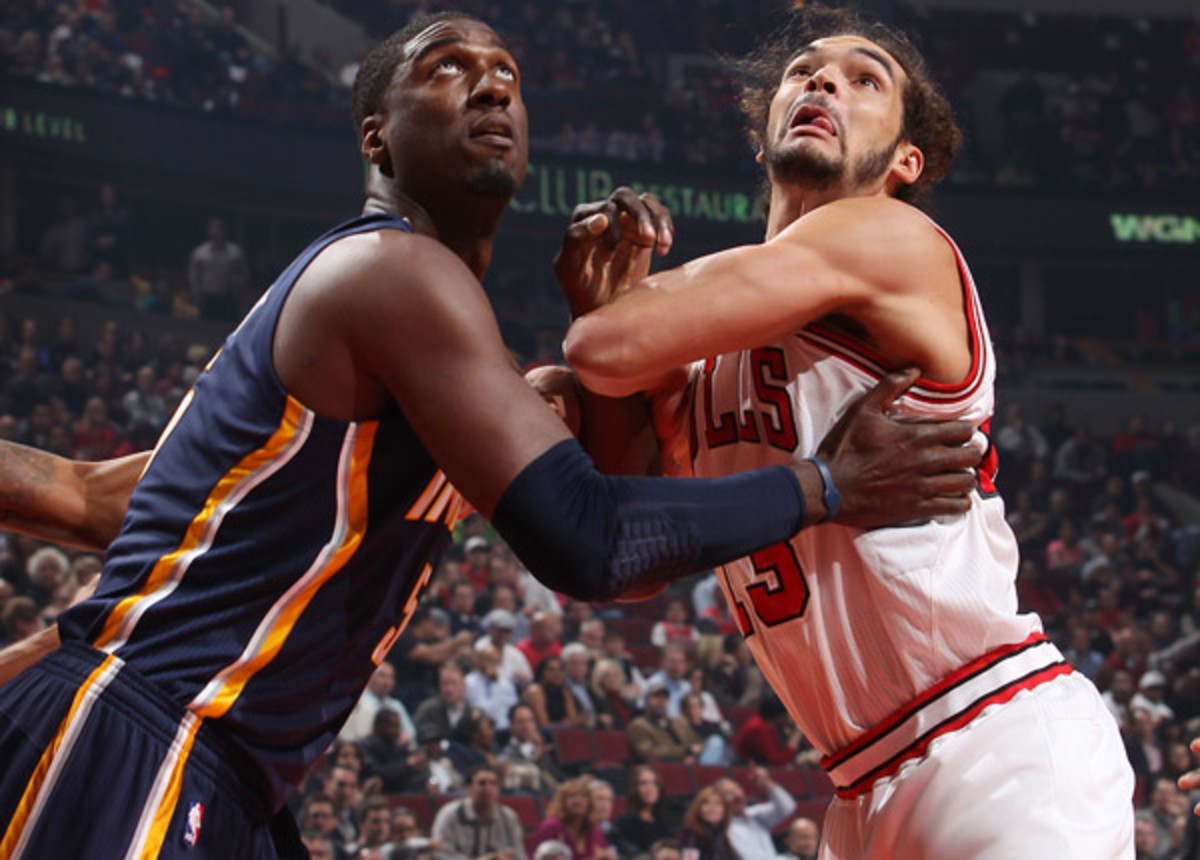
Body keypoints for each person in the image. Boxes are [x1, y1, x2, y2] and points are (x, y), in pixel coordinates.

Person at [0, 13, 978, 858]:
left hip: (213, 764)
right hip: (157, 736)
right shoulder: (396, 274)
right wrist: (822, 486)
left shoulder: (433, 349)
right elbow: (593, 539)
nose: (491, 85)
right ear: (377, 138)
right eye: (447, 68)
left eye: (506, 73)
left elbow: (106, 506)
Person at [557, 7, 1133, 857]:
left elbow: (601, 349)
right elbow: (638, 566)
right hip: (859, 784)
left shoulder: (892, 236)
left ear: (905, 162)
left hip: (993, 738)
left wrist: (604, 326)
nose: (824, 79)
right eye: (803, 72)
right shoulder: (710, 359)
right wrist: (605, 323)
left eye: (865, 80)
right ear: (761, 138)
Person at [430, 764, 526, 860]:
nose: (488, 789)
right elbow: (440, 854)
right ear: (469, 787)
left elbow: (519, 854)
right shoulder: (449, 814)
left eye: (493, 783)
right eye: (482, 783)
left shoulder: (508, 817)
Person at [715, 770, 796, 860]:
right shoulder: (723, 826)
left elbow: (787, 807)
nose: (737, 796)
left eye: (737, 789)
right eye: (729, 793)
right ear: (718, 800)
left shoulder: (754, 814)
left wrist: (767, 783)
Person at [532, 777, 616, 860]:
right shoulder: (551, 827)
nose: (578, 800)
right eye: (572, 796)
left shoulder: (594, 830)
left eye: (584, 796)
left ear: (590, 802)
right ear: (562, 802)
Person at [188, 215, 250, 321]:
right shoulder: (200, 253)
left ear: (225, 229)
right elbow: (194, 277)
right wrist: (197, 297)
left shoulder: (235, 253)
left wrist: (236, 286)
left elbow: (243, 274)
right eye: (214, 228)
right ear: (209, 230)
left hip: (228, 298)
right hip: (207, 299)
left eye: (219, 227)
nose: (217, 231)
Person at [612, 765, 676, 857]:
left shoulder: (664, 818)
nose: (650, 788)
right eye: (643, 783)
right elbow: (630, 852)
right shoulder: (625, 820)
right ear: (634, 788)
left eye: (654, 783)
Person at [677, 787, 736, 860]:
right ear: (698, 808)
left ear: (725, 810)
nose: (712, 808)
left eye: (718, 803)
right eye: (706, 803)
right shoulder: (689, 834)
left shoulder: (726, 834)